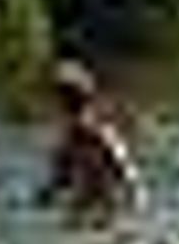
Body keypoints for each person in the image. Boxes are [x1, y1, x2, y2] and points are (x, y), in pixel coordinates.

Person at [39, 57, 140, 225]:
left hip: (108, 204)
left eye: (64, 98)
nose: (58, 104)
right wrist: (48, 194)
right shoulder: (71, 135)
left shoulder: (98, 131)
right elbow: (62, 174)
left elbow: (122, 167)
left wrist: (133, 197)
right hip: (87, 201)